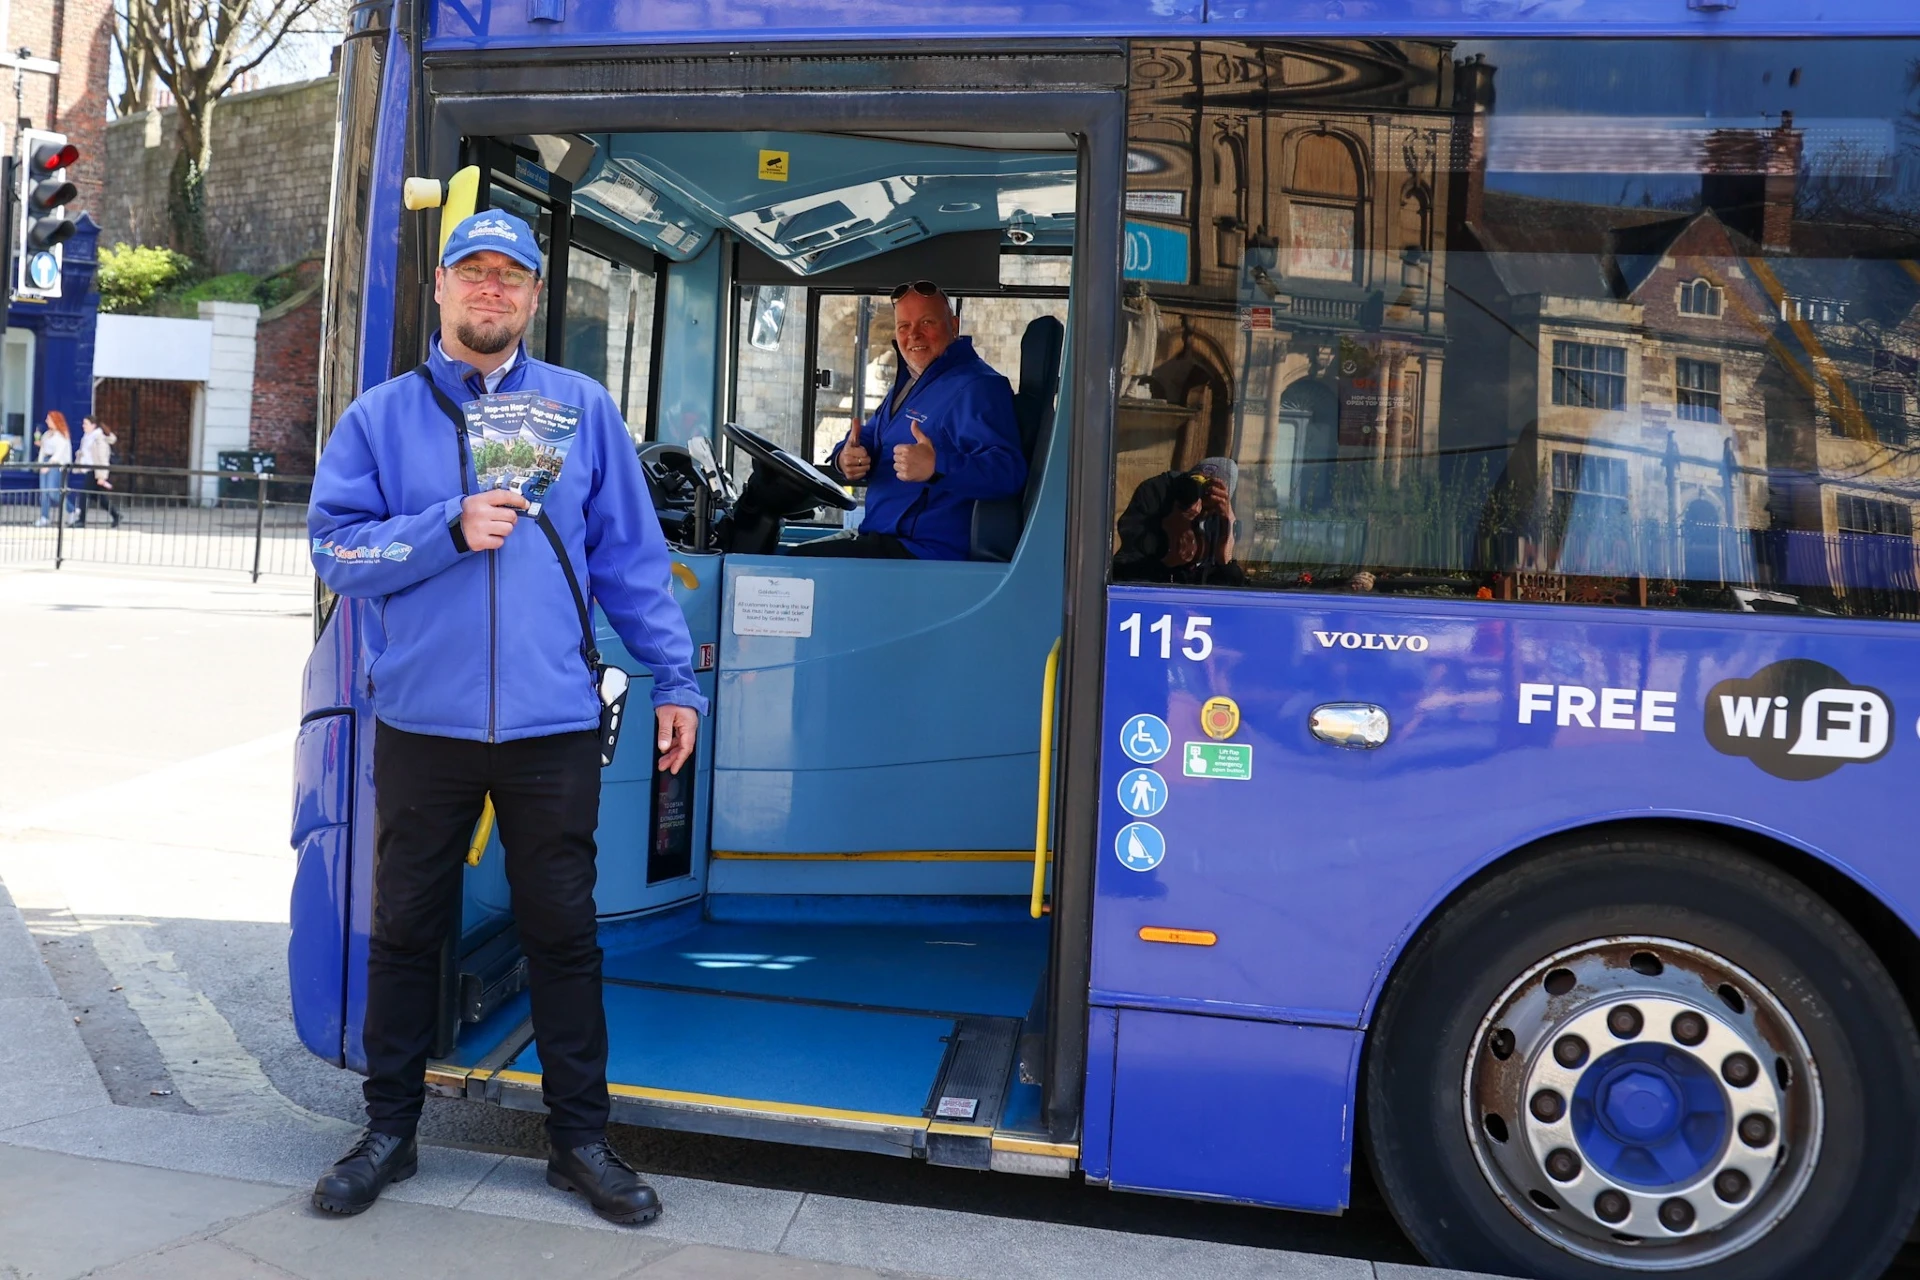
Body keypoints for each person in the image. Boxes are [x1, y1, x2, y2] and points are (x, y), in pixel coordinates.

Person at [305, 210, 705, 1227]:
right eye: (473, 274)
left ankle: (579, 1140)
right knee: (404, 927)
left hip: (552, 723)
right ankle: (388, 1128)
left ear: (534, 297)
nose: (492, 292)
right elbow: (334, 553)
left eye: (511, 278)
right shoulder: (380, 418)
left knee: (563, 932)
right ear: (440, 288)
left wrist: (677, 680)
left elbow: (631, 561)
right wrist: (447, 527)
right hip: (425, 723)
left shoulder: (581, 408)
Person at [796, 280, 1024, 560]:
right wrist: (847, 456)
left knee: (789, 572)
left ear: (954, 325)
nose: (913, 335)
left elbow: (1007, 472)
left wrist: (936, 465)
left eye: (927, 322)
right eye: (904, 326)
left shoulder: (978, 386)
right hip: (883, 537)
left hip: (923, 551)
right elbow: (872, 434)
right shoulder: (913, 382)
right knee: (789, 558)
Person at [1111, 456, 1245, 586]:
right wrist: (1167, 553)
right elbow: (1119, 574)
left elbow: (1231, 601)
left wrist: (1225, 556)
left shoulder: (1218, 527)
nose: (1200, 501)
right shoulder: (1158, 495)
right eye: (1196, 483)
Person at [73, 417, 121, 528]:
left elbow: (102, 459)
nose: (83, 425)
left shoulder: (99, 439)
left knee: (84, 495)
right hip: (89, 469)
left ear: (93, 425)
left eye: (86, 423)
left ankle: (81, 520)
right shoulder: (86, 438)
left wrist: (101, 476)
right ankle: (116, 515)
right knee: (97, 496)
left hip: (95, 470)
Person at [34, 412, 74, 527]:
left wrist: (49, 465)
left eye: (49, 419)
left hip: (56, 464)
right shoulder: (47, 434)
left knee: (53, 491)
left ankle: (72, 510)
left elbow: (59, 453)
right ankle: (44, 516)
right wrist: (41, 464)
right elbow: (43, 450)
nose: (46, 421)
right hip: (46, 460)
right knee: (44, 491)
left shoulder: (62, 435)